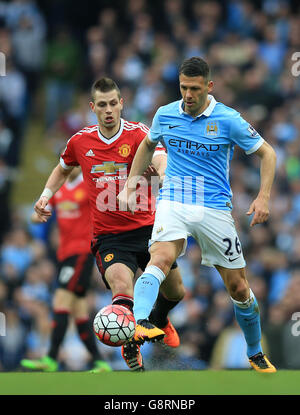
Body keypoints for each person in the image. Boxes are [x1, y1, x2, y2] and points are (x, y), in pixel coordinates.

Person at [118, 57, 277, 373]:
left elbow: (267, 153)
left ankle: (255, 352)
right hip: (173, 200)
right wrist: (129, 184)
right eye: (183, 88)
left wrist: (263, 197)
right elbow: (147, 146)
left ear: (209, 86)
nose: (188, 95)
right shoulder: (165, 114)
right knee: (160, 258)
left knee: (239, 289)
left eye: (194, 88)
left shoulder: (229, 119)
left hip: (214, 208)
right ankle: (141, 322)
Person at [33, 77, 185, 372]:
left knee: (176, 292)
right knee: (121, 289)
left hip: (149, 229)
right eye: (102, 105)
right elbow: (62, 168)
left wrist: (162, 175)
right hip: (110, 237)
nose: (108, 110)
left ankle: (160, 319)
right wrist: (45, 196)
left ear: (121, 104)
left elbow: (160, 155)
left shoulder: (138, 133)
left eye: (113, 103)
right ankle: (131, 345)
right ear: (93, 108)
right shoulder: (80, 141)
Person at [21, 167, 112, 373]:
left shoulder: (88, 184)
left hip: (82, 253)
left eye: (73, 161)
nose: (69, 165)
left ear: (80, 165)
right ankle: (100, 362)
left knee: (60, 301)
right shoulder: (57, 188)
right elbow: (35, 217)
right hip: (64, 254)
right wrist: (38, 215)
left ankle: (51, 358)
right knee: (79, 310)